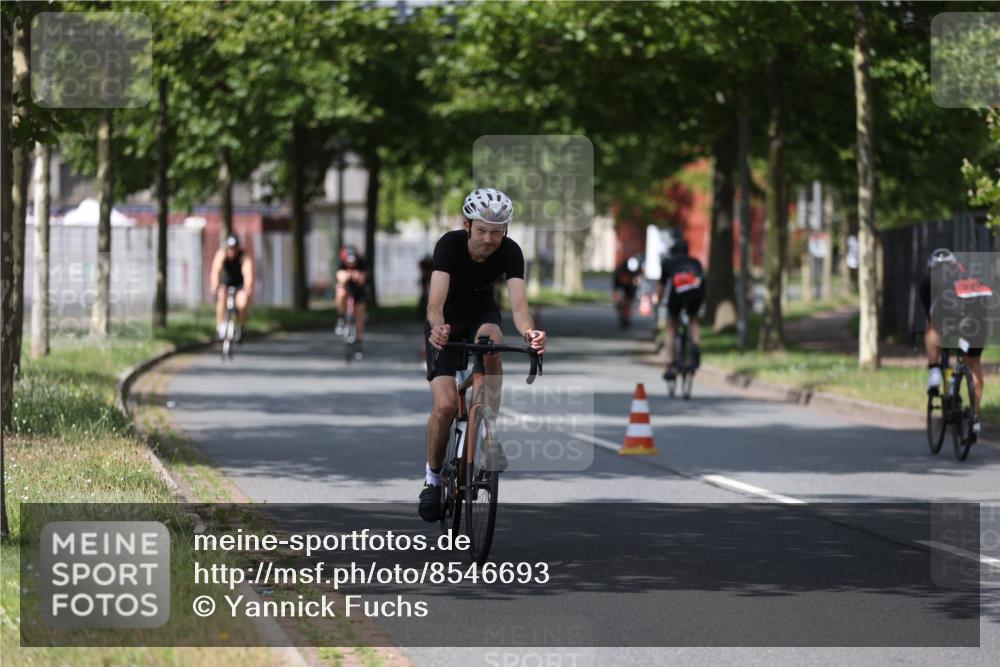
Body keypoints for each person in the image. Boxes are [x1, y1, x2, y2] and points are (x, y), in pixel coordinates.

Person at [419, 187, 547, 522]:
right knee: (446, 405)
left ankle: (488, 429)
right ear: (467, 225)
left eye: (497, 232)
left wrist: (530, 333)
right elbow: (434, 304)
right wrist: (437, 327)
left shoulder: (511, 252)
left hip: (481, 316)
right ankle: (432, 479)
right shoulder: (449, 245)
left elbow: (519, 308)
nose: (489, 239)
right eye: (482, 231)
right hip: (445, 321)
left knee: (493, 339)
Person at [921, 247, 991, 437]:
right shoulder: (971, 274)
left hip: (949, 314)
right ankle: (975, 417)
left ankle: (935, 370)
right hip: (977, 319)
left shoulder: (928, 282)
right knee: (973, 361)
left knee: (932, 329)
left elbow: (930, 316)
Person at [655, 238, 705, 380]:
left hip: (678, 291)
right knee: (693, 318)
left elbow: (661, 287)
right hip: (696, 291)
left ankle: (670, 363)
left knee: (671, 326)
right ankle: (695, 347)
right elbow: (701, 280)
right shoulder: (695, 262)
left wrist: (658, 302)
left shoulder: (668, 263)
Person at [209, 234, 254, 341]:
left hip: (239, 284)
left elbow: (248, 273)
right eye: (230, 248)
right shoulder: (221, 254)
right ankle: (220, 327)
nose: (232, 251)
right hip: (226, 283)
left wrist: (248, 287)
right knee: (221, 296)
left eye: (234, 248)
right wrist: (215, 284)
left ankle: (241, 328)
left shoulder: (244, 257)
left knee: (242, 304)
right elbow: (215, 270)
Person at [335, 245, 368, 358]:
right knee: (341, 293)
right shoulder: (341, 261)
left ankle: (358, 343)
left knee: (360, 313)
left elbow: (362, 279)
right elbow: (340, 277)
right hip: (346, 287)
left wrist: (356, 276)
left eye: (353, 262)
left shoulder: (362, 261)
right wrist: (349, 275)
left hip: (359, 289)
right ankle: (341, 317)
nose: (351, 264)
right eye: (349, 262)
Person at [612, 256, 642, 329]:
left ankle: (627, 318)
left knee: (629, 303)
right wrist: (616, 294)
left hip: (631, 288)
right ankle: (622, 316)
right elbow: (616, 284)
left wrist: (637, 283)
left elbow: (638, 281)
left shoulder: (637, 270)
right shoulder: (621, 270)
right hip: (620, 286)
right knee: (620, 304)